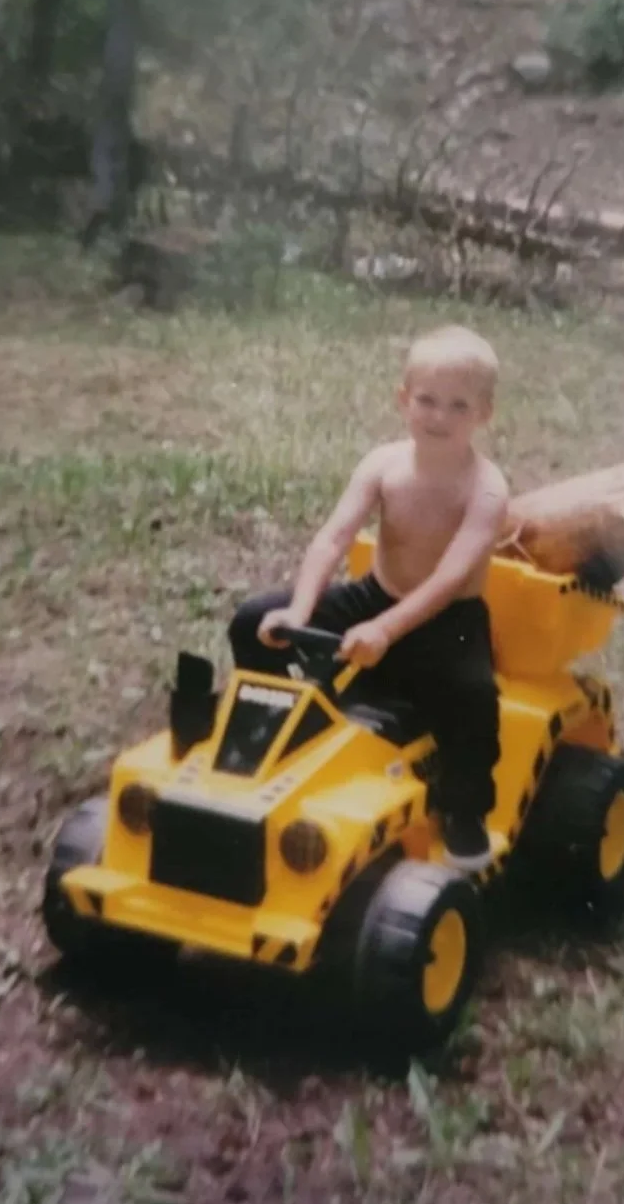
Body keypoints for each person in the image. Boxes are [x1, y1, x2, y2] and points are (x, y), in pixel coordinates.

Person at [228, 324, 509, 871]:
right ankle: (287, 727)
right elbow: (333, 537)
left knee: (473, 696)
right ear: (403, 400)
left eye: (458, 406)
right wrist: (300, 611)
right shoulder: (383, 464)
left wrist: (386, 631)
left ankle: (465, 810)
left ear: (484, 414)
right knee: (252, 620)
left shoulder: (488, 489)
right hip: (375, 594)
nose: (439, 417)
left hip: (446, 617)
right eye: (426, 401)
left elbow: (450, 578)